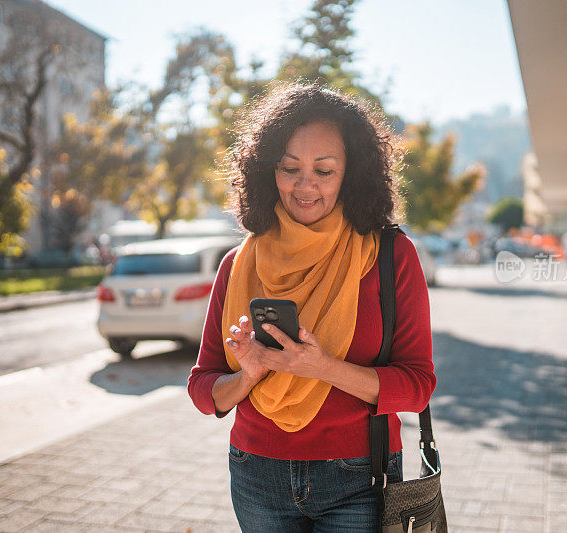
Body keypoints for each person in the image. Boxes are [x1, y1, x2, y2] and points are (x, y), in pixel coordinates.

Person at [187, 83, 436, 532]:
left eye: (324, 170)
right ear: (268, 172)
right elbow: (203, 390)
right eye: (289, 168)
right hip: (254, 472)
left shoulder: (391, 256)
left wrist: (320, 367)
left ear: (351, 174)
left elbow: (417, 387)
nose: (305, 186)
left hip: (360, 477)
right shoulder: (237, 264)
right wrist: (249, 374)